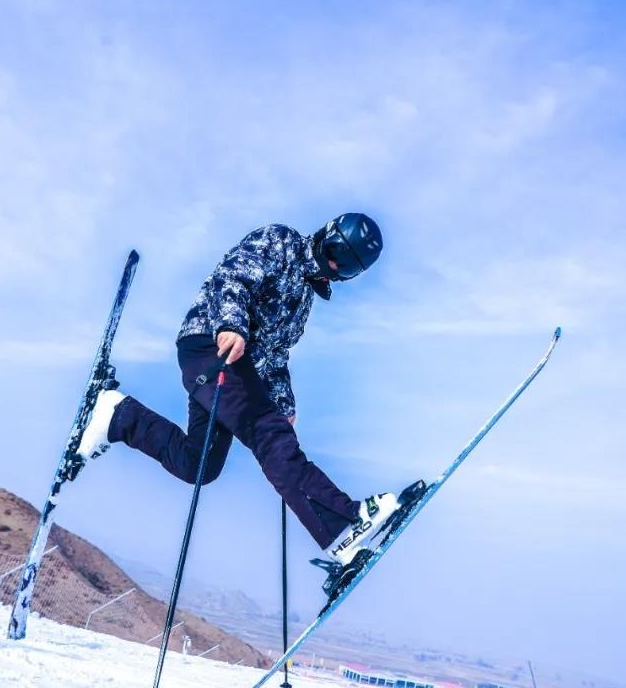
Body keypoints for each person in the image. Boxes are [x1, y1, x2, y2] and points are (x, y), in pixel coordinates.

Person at [76, 213, 399, 568]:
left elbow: (275, 356)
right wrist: (231, 324)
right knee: (268, 437)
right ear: (326, 234)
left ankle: (120, 416)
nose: (335, 264)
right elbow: (232, 277)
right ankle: (344, 525)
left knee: (199, 465)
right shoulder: (282, 242)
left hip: (234, 365)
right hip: (211, 345)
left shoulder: (304, 298)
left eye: (347, 268)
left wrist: (283, 404)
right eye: (336, 251)